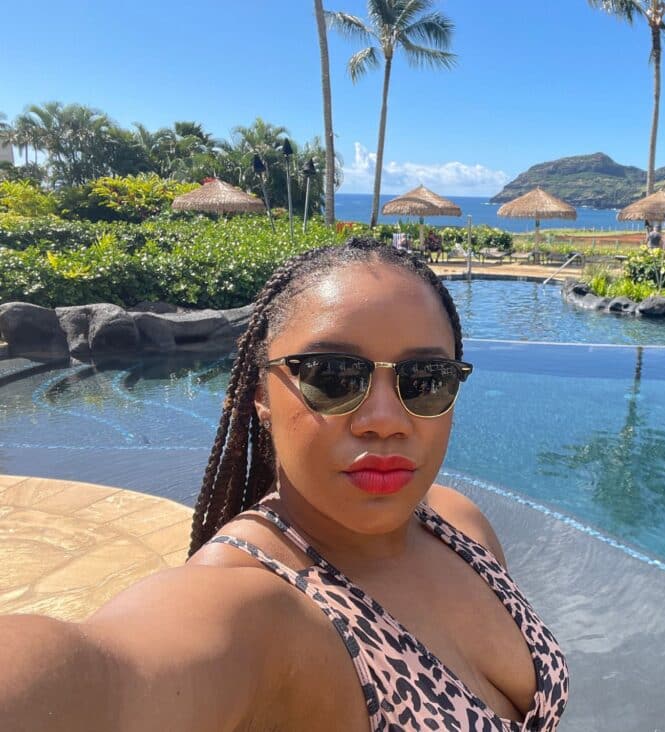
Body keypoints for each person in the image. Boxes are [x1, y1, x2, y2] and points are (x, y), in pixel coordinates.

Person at [0, 238, 569, 731]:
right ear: (260, 396)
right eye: (333, 375)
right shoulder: (259, 606)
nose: (385, 418)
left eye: (424, 380)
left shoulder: (457, 521)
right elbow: (100, 678)